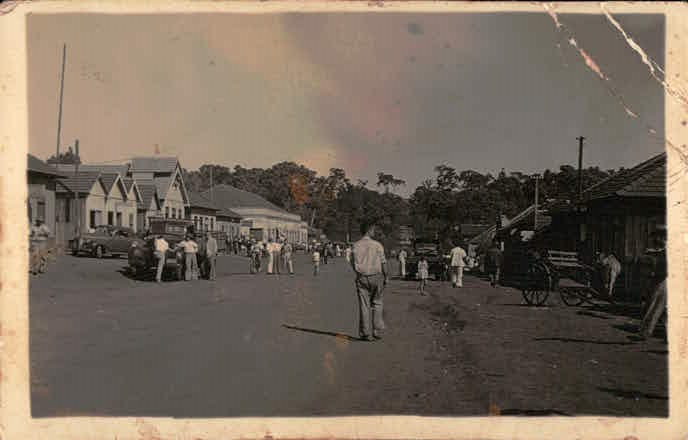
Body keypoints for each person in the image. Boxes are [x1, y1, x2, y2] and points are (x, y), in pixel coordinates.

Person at [350, 221, 388, 341]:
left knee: (364, 305)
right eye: (373, 230)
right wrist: (386, 276)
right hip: (376, 276)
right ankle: (376, 329)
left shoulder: (355, 245)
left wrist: (358, 273)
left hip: (361, 277)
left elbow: (352, 261)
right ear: (369, 230)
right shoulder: (377, 245)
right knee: (377, 303)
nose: (374, 232)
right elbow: (383, 263)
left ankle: (365, 332)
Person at [639, 229, 668, 338]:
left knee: (653, 306)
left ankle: (645, 332)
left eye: (657, 237)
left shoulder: (667, 249)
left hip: (662, 280)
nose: (655, 239)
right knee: (662, 308)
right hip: (658, 279)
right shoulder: (657, 251)